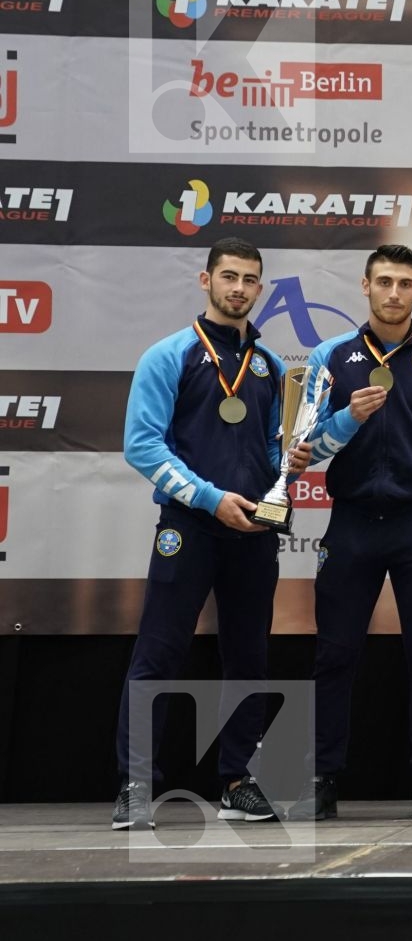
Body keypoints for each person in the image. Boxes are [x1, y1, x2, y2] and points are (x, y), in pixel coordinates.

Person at [289, 245, 412, 821]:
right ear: (365, 286)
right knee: (334, 654)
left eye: (405, 283)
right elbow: (301, 453)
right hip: (352, 521)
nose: (394, 293)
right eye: (384, 282)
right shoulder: (330, 356)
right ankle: (321, 775)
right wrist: (347, 417)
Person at [112, 237, 304, 830]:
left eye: (249, 279)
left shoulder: (270, 367)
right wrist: (210, 498)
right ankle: (135, 785)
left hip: (253, 531)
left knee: (249, 658)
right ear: (206, 280)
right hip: (189, 527)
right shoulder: (168, 355)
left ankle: (237, 781)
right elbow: (142, 446)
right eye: (229, 276)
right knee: (159, 653)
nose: (239, 288)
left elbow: (274, 451)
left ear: (260, 288)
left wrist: (288, 470)